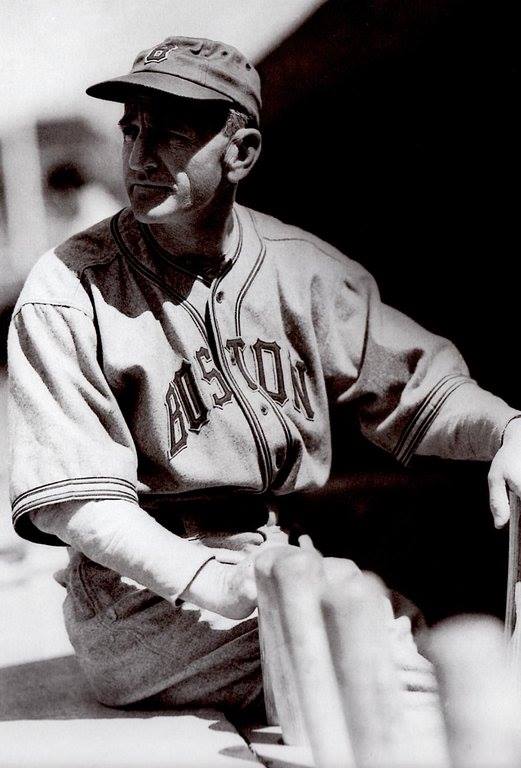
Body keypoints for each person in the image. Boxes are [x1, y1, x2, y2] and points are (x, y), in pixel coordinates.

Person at [7, 36, 521, 714]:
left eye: (169, 134)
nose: (139, 156)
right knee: (388, 676)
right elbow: (76, 505)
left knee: (398, 643)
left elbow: (425, 393)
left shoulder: (298, 267)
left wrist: (505, 428)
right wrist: (215, 581)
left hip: (271, 553)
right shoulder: (68, 285)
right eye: (132, 131)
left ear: (241, 152)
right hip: (137, 603)